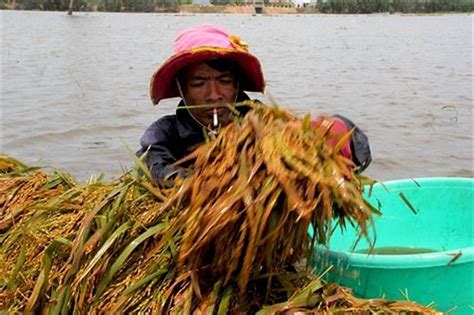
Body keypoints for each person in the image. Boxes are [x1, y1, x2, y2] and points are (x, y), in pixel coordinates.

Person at [137, 24, 371, 183]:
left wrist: (338, 135)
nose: (214, 94)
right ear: (181, 88)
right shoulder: (165, 133)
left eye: (224, 81)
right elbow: (151, 168)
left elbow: (354, 151)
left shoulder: (262, 121)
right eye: (199, 83)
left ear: (237, 84)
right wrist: (207, 183)